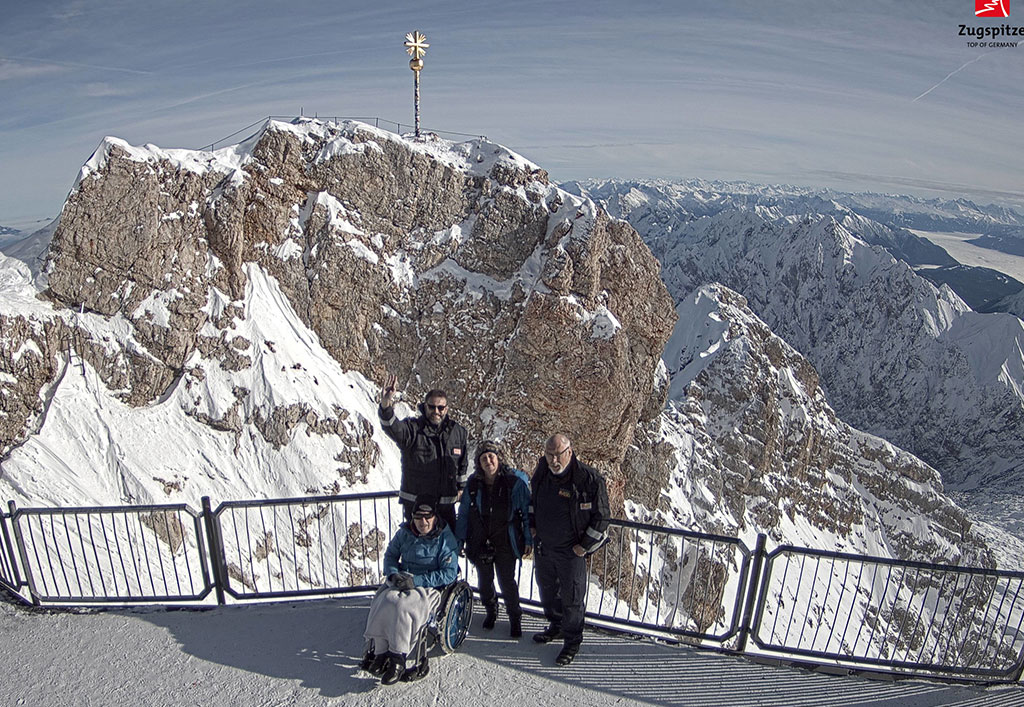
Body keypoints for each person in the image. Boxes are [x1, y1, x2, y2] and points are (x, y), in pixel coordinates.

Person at [529, 433, 610, 666]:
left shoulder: (589, 480)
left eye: (558, 455)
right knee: (547, 590)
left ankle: (572, 641)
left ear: (569, 453)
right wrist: (533, 528)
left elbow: (602, 518)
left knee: (572, 598)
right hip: (545, 548)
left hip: (571, 553)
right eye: (550, 455)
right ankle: (556, 626)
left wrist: (584, 547)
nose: (554, 460)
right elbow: (533, 500)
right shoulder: (542, 471)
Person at [361, 497, 460, 684]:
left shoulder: (445, 539)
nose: (423, 522)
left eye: (427, 517)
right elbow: (390, 555)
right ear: (412, 518)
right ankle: (380, 651)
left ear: (434, 517)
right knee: (384, 599)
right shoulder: (404, 533)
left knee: (402, 606)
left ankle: (398, 657)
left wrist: (417, 581)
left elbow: (449, 573)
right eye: (418, 518)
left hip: (429, 586)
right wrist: (392, 575)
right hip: (403, 579)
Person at [455, 440, 532, 638]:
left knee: (507, 581)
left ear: (499, 458)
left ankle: (515, 617)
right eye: (483, 458)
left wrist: (529, 540)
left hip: (506, 539)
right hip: (480, 539)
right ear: (478, 463)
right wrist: (460, 540)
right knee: (484, 581)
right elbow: (463, 514)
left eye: (491, 456)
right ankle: (491, 611)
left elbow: (526, 513)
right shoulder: (474, 484)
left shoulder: (514, 483)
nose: (488, 461)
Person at [378, 374, 469, 529]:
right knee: (418, 552)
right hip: (417, 509)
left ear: (446, 409)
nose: (436, 411)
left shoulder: (458, 432)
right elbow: (392, 427)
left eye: (440, 407)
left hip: (446, 507)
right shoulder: (413, 429)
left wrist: (461, 489)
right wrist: (386, 404)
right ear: (425, 406)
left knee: (448, 550)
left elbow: (462, 464)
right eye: (432, 407)